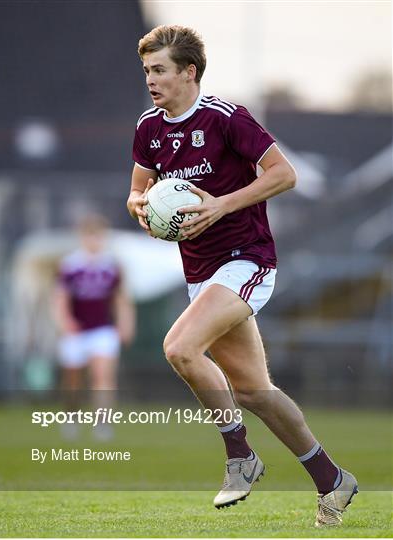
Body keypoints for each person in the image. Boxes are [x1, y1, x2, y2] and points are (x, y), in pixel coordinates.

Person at [127, 25, 357, 526]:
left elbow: (284, 174)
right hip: (201, 271)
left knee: (179, 348)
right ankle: (332, 480)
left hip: (246, 258)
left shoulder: (226, 118)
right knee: (254, 392)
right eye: (147, 70)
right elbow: (136, 191)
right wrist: (143, 210)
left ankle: (240, 456)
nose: (151, 79)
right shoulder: (149, 127)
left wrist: (221, 206)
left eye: (160, 70)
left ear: (189, 72)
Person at [54, 214, 135, 439]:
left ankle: (103, 424)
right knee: (73, 378)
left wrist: (125, 323)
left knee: (103, 377)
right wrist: (64, 321)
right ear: (82, 238)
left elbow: (120, 298)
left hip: (103, 329)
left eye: (98, 237)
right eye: (90, 236)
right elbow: (61, 297)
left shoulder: (111, 267)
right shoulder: (70, 265)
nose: (94, 242)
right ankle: (71, 418)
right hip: (77, 331)